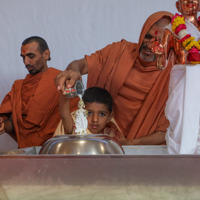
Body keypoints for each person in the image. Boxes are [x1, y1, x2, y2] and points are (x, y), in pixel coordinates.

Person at [55, 11, 174, 145]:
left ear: (168, 43)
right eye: (148, 37)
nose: (150, 45)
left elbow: (168, 131)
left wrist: (129, 145)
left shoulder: (173, 72)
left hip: (142, 151)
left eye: (158, 41)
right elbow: (80, 65)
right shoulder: (120, 51)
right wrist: (73, 72)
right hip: (103, 143)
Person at [0, 36, 77, 148]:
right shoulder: (18, 87)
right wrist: (3, 126)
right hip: (26, 152)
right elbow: (13, 124)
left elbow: (76, 119)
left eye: (31, 56)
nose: (26, 62)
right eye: (23, 57)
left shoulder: (62, 81)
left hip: (57, 150)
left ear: (46, 54)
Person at [154, 0, 200, 153]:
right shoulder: (171, 30)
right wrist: (159, 54)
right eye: (185, 1)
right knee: (179, 113)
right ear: (177, 5)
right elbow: (162, 64)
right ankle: (181, 153)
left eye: (194, 1)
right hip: (180, 77)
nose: (190, 4)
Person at [54, 87, 125, 141]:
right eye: (89, 113)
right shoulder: (77, 125)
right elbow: (65, 114)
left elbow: (119, 146)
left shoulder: (110, 130)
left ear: (109, 118)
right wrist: (65, 92)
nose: (95, 119)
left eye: (102, 114)